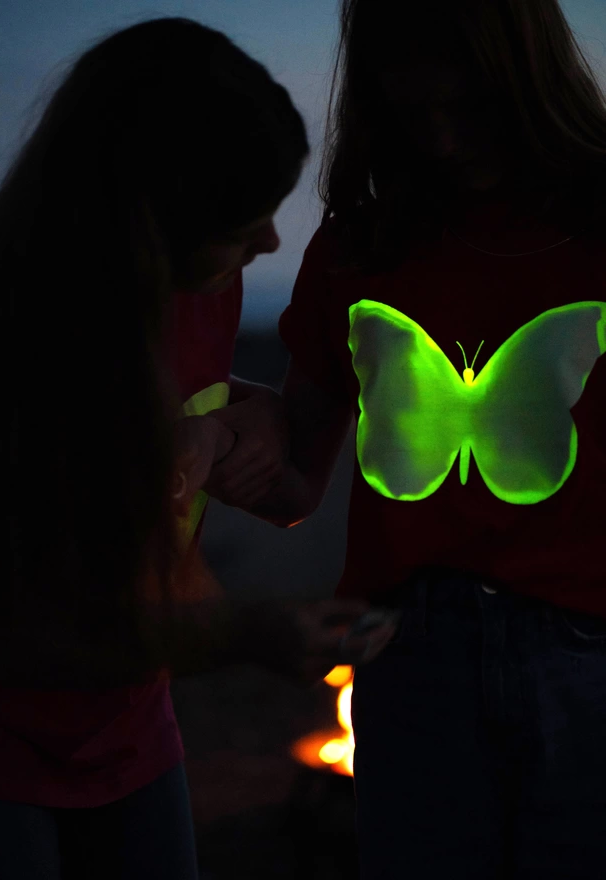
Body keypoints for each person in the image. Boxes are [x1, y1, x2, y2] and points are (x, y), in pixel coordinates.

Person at [0, 17, 396, 880]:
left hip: (132, 733)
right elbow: (23, 626)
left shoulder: (197, 288)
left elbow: (218, 443)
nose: (268, 243)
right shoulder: (6, 345)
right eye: (241, 222)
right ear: (149, 216)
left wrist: (240, 416)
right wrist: (241, 632)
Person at [204, 0, 606, 877]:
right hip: (411, 659)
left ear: (529, 81)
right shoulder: (361, 247)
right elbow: (295, 484)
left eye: (472, 110)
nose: (447, 141)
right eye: (416, 115)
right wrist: (217, 428)